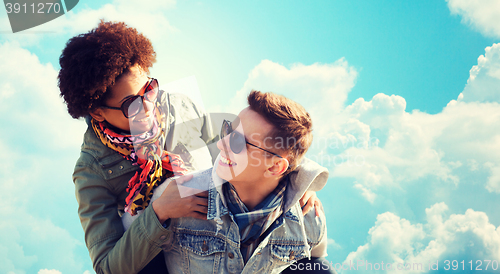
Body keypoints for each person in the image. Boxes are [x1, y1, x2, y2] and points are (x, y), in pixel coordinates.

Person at [59, 20, 321, 274]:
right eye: (131, 104)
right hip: (161, 259)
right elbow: (108, 267)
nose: (150, 106)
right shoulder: (91, 170)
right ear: (97, 111)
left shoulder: (179, 106)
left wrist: (294, 183)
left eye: (149, 89)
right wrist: (159, 211)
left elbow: (243, 143)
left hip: (218, 241)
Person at [124, 90, 335, 273]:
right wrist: (157, 213)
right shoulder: (176, 196)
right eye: (227, 130)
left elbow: (316, 263)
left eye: (237, 141)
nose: (222, 144)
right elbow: (124, 260)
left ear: (275, 167)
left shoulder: (308, 217)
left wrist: (305, 185)